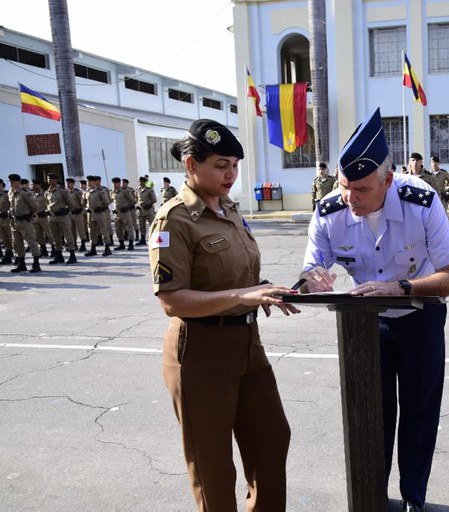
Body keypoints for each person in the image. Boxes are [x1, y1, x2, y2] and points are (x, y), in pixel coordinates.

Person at [300, 108, 449, 512]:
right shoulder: (329, 212)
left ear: (387, 181)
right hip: (365, 327)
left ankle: (413, 498)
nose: (349, 198)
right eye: (344, 187)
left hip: (419, 318)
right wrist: (312, 280)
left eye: (360, 190)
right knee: (370, 417)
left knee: (418, 413)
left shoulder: (421, 202)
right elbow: (309, 269)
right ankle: (372, 496)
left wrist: (399, 287)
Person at [148, 119, 298, 512]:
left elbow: (237, 275)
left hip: (247, 343)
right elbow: (172, 299)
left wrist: (266, 290)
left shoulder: (228, 208)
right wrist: (243, 294)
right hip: (201, 349)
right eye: (220, 164)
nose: (230, 174)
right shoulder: (174, 219)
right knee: (213, 463)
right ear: (191, 165)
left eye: (234, 164)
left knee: (271, 438)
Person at [7, 173, 42, 273]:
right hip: (14, 222)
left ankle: (36, 264)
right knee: (17, 244)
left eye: (11, 181)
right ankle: (21, 264)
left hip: (25, 221)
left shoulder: (24, 193)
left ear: (16, 182)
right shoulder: (10, 193)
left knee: (31, 242)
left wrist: (29, 215)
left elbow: (34, 205)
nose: (9, 183)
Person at [44, 173, 78, 264]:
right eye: (48, 179)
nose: (49, 181)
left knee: (68, 235)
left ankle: (72, 255)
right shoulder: (47, 192)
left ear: (55, 180)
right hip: (52, 217)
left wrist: (67, 210)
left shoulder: (62, 190)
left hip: (63, 217)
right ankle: (59, 255)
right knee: (55, 237)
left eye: (51, 179)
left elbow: (71, 203)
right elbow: (47, 203)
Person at [84, 175, 112, 257]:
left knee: (103, 230)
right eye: (87, 181)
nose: (88, 183)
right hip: (90, 214)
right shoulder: (86, 192)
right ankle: (93, 249)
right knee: (91, 232)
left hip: (99, 214)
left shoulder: (100, 191)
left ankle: (107, 248)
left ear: (93, 182)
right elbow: (83, 203)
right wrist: (86, 208)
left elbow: (107, 202)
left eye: (89, 181)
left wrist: (101, 207)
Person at [110, 177, 136, 251]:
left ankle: (131, 244)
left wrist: (127, 207)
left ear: (119, 183)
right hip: (117, 214)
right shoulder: (112, 192)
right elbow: (112, 201)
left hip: (125, 213)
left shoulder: (125, 191)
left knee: (129, 228)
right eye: (114, 183)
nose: (115, 185)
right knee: (118, 230)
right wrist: (113, 209)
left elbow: (133, 201)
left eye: (116, 183)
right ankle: (121, 244)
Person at [30, 178, 53, 257]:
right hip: (36, 218)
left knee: (49, 233)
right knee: (38, 235)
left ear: (38, 185)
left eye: (33, 184)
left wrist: (47, 211)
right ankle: (43, 249)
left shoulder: (45, 193)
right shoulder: (31, 194)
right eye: (31, 184)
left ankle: (54, 248)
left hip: (44, 217)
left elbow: (49, 203)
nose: (32, 186)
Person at [66, 177, 88, 252]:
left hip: (78, 214)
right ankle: (74, 244)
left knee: (80, 230)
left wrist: (80, 209)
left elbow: (82, 202)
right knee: (72, 231)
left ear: (73, 184)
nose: (68, 185)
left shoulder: (77, 192)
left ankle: (83, 244)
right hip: (69, 214)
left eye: (70, 183)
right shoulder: (65, 192)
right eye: (67, 183)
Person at [136, 176, 158, 245]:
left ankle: (153, 239)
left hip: (148, 210)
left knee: (152, 224)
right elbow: (136, 199)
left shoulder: (149, 190)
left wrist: (149, 204)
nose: (140, 183)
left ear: (144, 182)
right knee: (141, 226)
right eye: (139, 181)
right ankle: (142, 240)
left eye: (141, 181)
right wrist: (137, 206)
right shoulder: (137, 190)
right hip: (141, 211)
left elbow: (154, 199)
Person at [0, 179, 13, 265]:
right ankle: (8, 255)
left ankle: (18, 256)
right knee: (4, 240)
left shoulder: (7, 194)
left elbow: (13, 205)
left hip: (7, 220)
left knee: (11, 238)